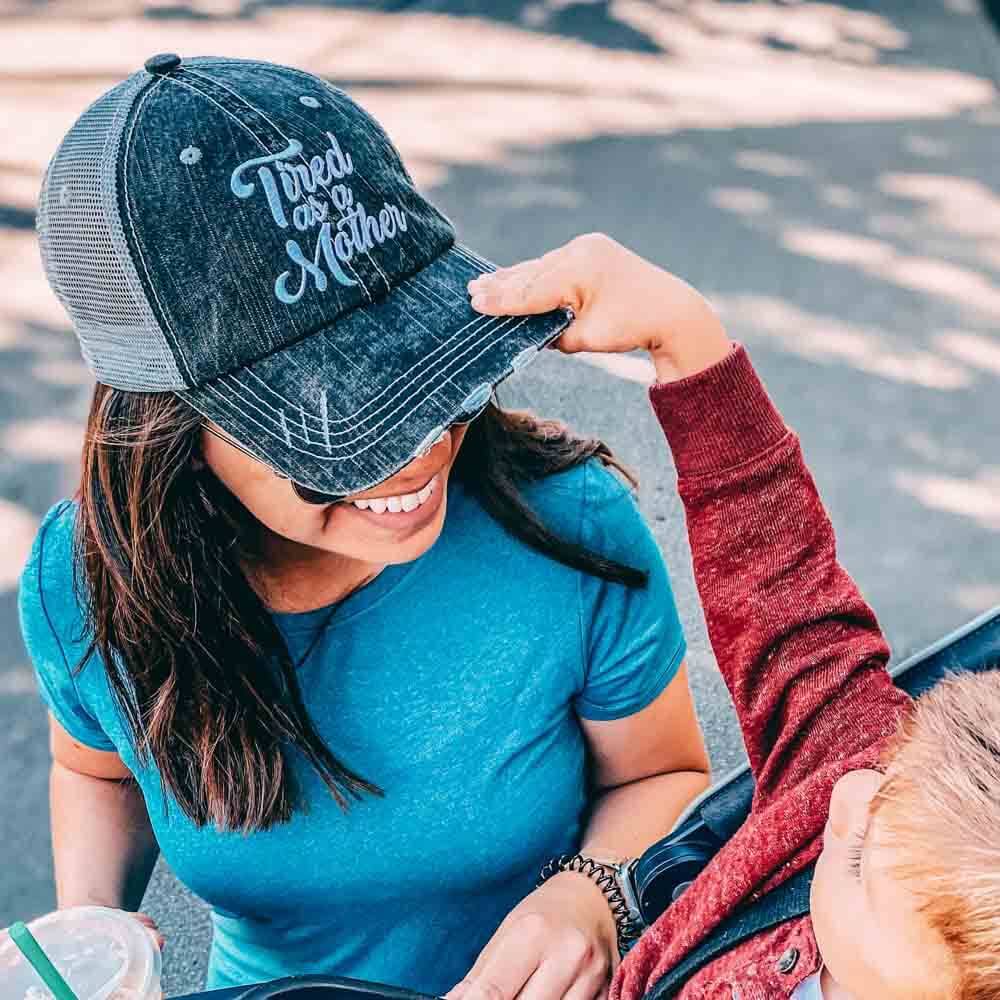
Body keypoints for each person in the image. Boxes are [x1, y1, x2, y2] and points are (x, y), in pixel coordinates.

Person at [19, 56, 711, 998]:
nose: (419, 450)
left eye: (428, 373)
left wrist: (593, 893)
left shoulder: (573, 525)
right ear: (173, 427)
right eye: (344, 422)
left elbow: (663, 776)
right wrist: (92, 925)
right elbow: (96, 770)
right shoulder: (84, 579)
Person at [454, 236, 1000, 1000]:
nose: (846, 801)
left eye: (861, 862)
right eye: (886, 784)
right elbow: (786, 597)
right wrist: (687, 342)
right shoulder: (850, 779)